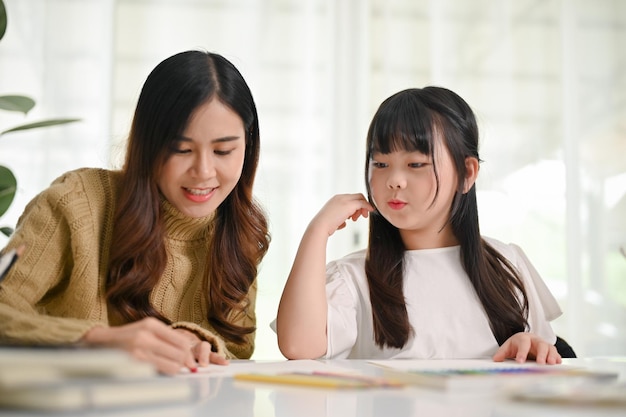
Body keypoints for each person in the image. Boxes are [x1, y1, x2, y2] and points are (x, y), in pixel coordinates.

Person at [0, 50, 270, 375]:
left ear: (248, 146)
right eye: (181, 149)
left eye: (223, 151)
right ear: (148, 144)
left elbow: (238, 351)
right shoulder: (76, 203)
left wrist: (198, 341)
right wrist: (97, 340)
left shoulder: (241, 230)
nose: (203, 171)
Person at [276, 86, 568, 364]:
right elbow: (300, 347)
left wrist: (526, 344)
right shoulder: (355, 277)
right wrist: (317, 232)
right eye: (380, 164)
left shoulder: (507, 264)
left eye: (415, 164)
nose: (394, 180)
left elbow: (542, 357)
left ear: (467, 173)